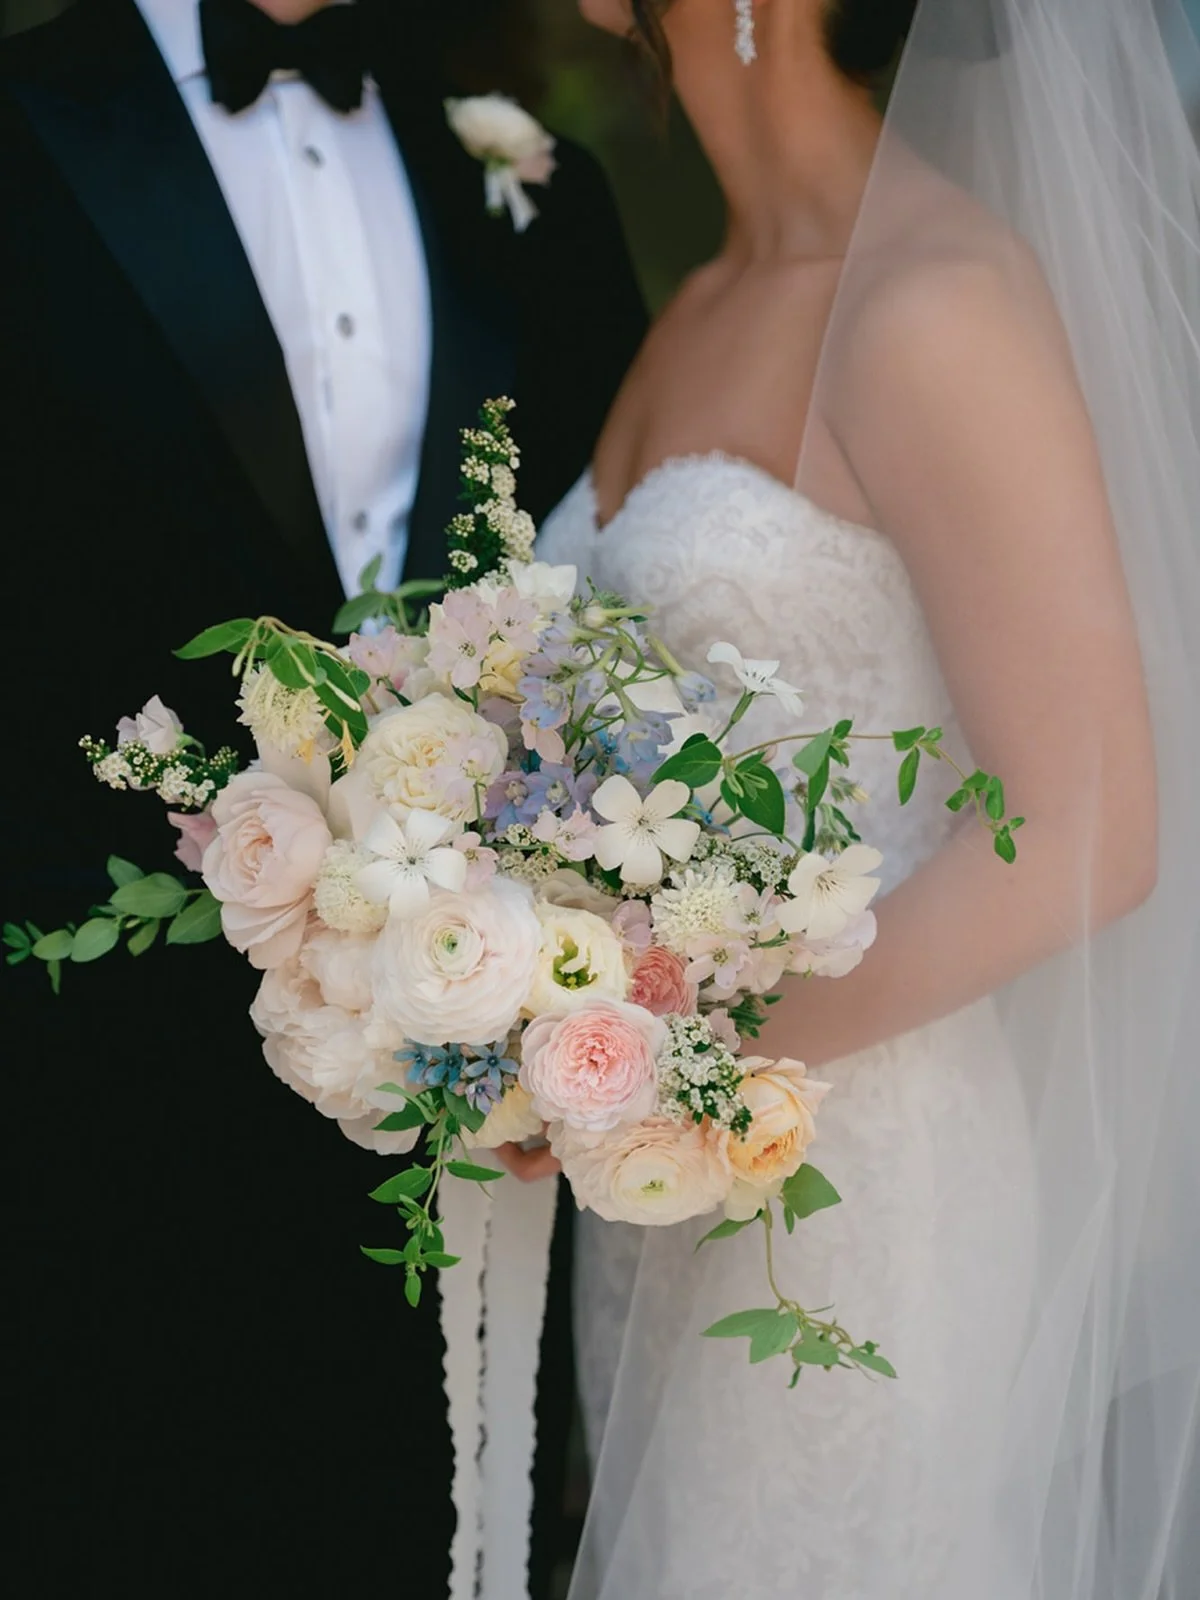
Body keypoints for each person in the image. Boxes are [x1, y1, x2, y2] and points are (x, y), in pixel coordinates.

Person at [537, 1, 1200, 1596]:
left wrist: (684, 1059)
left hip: (856, 1189)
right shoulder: (704, 295)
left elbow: (1090, 827)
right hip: (660, 1196)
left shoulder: (932, 303)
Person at [0, 1, 644, 1593]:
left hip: (440, 1143)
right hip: (76, 1141)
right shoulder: (24, 119)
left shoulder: (534, 188)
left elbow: (614, 627)